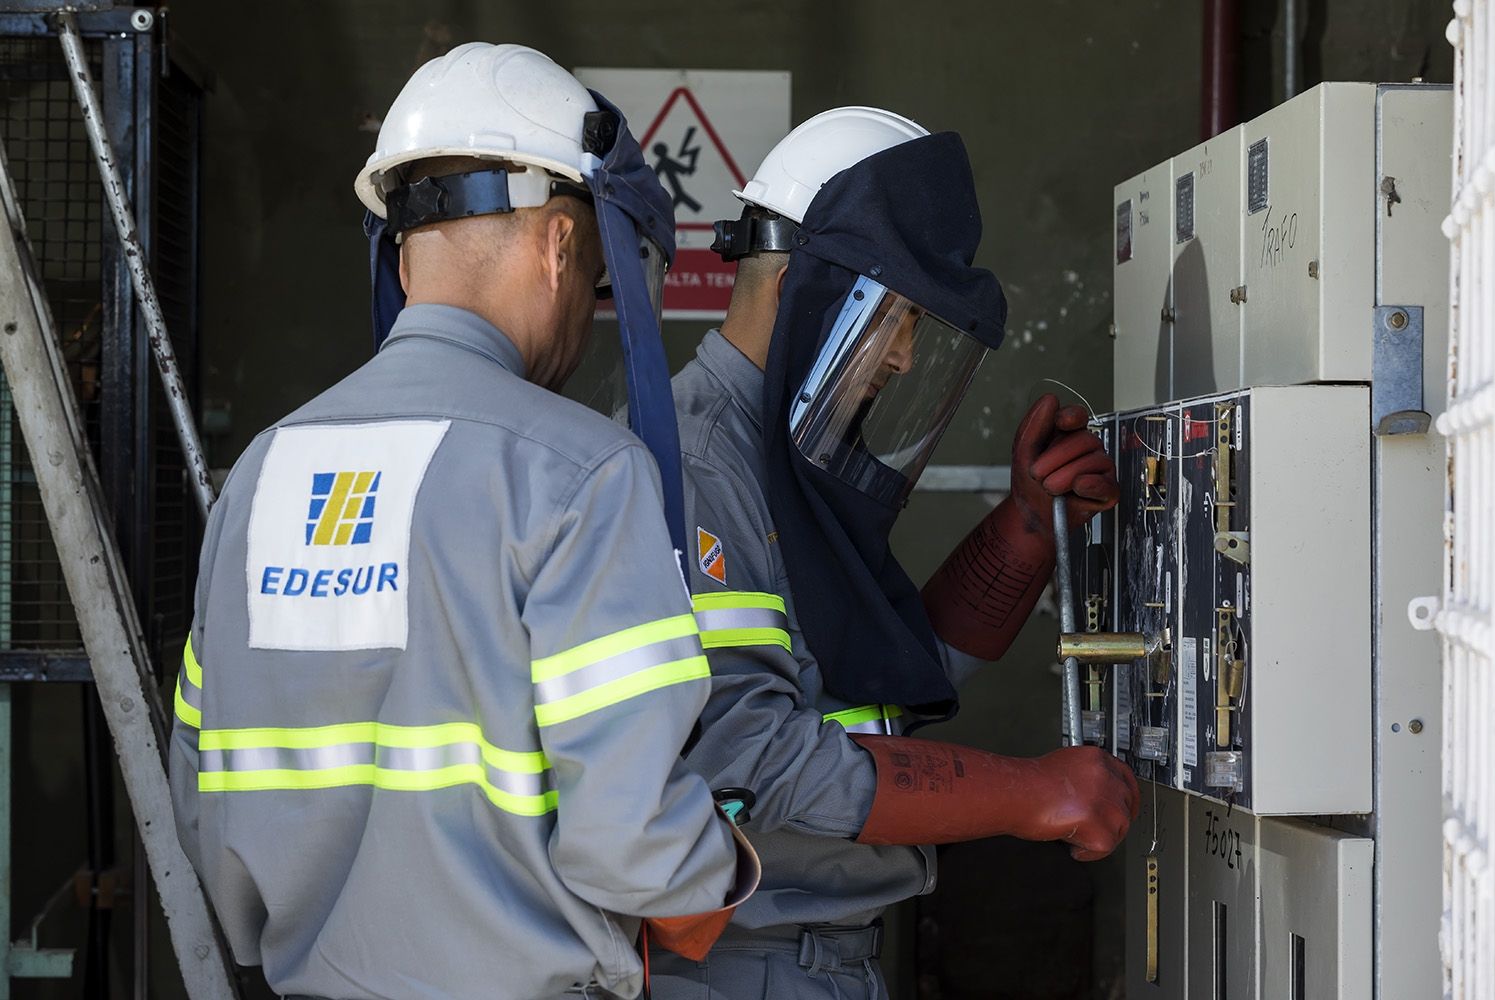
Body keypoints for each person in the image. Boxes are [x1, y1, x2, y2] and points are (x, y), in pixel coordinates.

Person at [167, 43, 754, 1000]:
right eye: (598, 278)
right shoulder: (580, 473)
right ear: (559, 245)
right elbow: (634, 844)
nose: (590, 313)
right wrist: (723, 868)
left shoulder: (261, 477)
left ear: (402, 253)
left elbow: (201, 800)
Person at [651, 108, 1137, 998]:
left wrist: (1028, 526)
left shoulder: (783, 455)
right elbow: (757, 757)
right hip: (735, 969)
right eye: (895, 315)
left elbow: (886, 673)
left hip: (817, 961)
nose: (907, 357)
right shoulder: (697, 467)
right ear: (803, 288)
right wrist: (1032, 792)